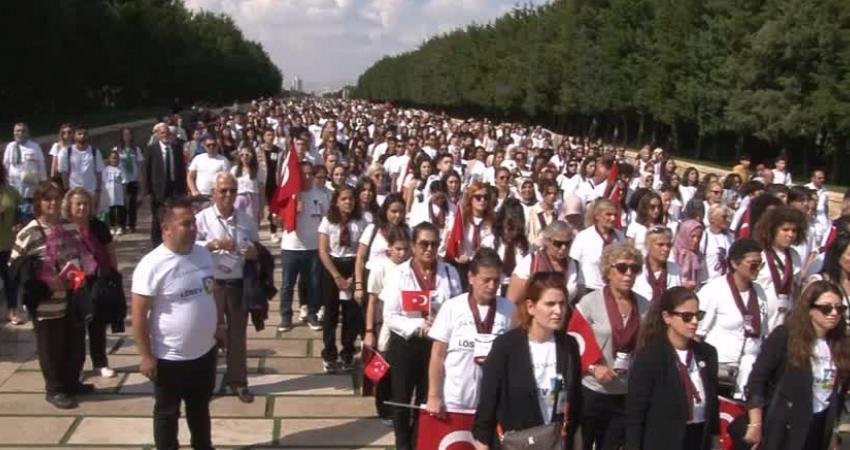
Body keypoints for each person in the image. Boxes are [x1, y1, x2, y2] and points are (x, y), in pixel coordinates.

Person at [131, 196, 225, 450]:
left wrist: (219, 325)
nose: (193, 228)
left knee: (200, 407)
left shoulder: (203, 253)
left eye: (194, 222)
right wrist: (145, 355)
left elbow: (213, 290)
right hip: (169, 358)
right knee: (167, 413)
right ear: (166, 229)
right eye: (186, 223)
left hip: (204, 352)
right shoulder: (151, 265)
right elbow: (138, 315)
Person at [9, 182, 94, 409]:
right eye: (48, 199)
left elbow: (83, 255)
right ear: (39, 203)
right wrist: (42, 279)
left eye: (57, 199)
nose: (53, 203)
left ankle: (72, 382)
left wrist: (81, 272)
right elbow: (15, 267)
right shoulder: (30, 232)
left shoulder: (70, 227)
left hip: (73, 297)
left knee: (74, 344)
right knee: (51, 346)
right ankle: (55, 389)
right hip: (47, 302)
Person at [473, 272, 581, 450]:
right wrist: (482, 442)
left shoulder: (569, 345)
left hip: (555, 442)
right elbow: (489, 400)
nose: (558, 311)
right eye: (550, 304)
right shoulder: (506, 346)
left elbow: (574, 401)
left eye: (562, 304)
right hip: (516, 442)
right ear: (531, 307)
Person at [380, 222, 463, 450]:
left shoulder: (449, 272)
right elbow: (390, 316)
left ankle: (419, 440)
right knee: (401, 399)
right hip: (406, 344)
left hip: (436, 346)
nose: (429, 249)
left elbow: (458, 308)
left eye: (434, 244)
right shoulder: (399, 274)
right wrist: (418, 324)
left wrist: (442, 325)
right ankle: (402, 444)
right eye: (424, 244)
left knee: (427, 398)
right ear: (413, 246)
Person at [742, 280, 850, 450]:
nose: (834, 313)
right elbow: (757, 380)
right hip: (786, 425)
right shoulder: (785, 336)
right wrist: (755, 424)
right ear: (809, 310)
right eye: (826, 308)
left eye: (839, 308)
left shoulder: (840, 344)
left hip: (820, 423)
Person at [575, 242, 651, 450]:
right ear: (608, 270)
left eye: (634, 269)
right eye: (622, 267)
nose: (629, 274)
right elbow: (573, 340)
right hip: (592, 389)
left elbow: (648, 346)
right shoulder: (589, 302)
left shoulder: (645, 306)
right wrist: (592, 366)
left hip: (624, 393)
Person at [625, 287, 720, 450]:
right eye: (687, 317)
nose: (694, 322)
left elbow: (712, 402)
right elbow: (635, 413)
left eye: (698, 315)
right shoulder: (650, 357)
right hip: (663, 440)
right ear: (667, 317)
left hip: (698, 437)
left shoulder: (707, 353)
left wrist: (715, 438)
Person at [195, 173, 260, 403]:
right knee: (209, 333)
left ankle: (238, 381)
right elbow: (191, 248)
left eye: (232, 190)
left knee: (237, 334)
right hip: (210, 284)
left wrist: (252, 252)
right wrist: (214, 244)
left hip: (237, 282)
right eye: (223, 190)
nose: (228, 195)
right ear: (214, 192)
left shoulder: (245, 219)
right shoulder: (202, 218)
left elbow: (255, 245)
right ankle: (205, 382)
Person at [426, 248, 515, 415]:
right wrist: (434, 395)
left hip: (493, 404)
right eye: (486, 280)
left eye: (496, 281)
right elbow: (438, 355)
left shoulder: (509, 309)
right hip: (455, 401)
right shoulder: (452, 307)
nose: (492, 286)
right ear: (471, 277)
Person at [696, 238, 768, 399]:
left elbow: (763, 333)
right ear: (735, 264)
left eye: (760, 264)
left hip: (750, 369)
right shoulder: (714, 290)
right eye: (753, 264)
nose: (758, 269)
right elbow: (696, 333)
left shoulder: (760, 292)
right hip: (720, 370)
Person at [64, 187, 121, 379]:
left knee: (97, 324)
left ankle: (100, 363)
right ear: (69, 207)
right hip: (72, 283)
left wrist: (113, 274)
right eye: (78, 204)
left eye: (86, 204)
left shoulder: (98, 226)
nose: (82, 207)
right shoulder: (64, 228)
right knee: (75, 328)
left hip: (97, 280)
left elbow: (110, 251)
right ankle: (75, 367)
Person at [318, 185, 367, 373]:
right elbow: (323, 250)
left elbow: (363, 252)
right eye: (344, 199)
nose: (348, 202)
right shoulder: (328, 221)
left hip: (353, 265)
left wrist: (355, 277)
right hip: (333, 267)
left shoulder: (360, 222)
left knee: (351, 314)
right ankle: (329, 354)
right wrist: (337, 276)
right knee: (330, 314)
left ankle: (347, 353)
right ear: (336, 201)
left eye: (351, 199)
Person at [364, 225, 410, 424]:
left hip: (404, 322)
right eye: (398, 248)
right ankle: (382, 408)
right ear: (389, 248)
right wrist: (369, 330)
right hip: (383, 324)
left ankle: (398, 405)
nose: (402, 253)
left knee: (401, 368)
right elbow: (372, 302)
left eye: (405, 249)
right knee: (381, 367)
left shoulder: (410, 268)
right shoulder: (380, 268)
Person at [278, 162, 327, 331]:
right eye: (303, 174)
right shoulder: (291, 194)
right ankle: (286, 316)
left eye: (309, 174)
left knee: (313, 284)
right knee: (287, 284)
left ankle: (312, 314)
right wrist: (291, 211)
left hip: (313, 248)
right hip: (291, 248)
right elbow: (277, 220)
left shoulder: (320, 195)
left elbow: (326, 219)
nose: (306, 177)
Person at [752, 205, 808, 333]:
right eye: (785, 230)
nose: (790, 235)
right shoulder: (759, 252)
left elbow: (796, 287)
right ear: (772, 230)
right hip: (761, 315)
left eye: (794, 231)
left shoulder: (794, 256)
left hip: (784, 316)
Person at [507, 220, 579, 304]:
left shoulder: (572, 264)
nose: (563, 248)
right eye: (558, 243)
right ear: (547, 241)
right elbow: (512, 300)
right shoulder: (530, 262)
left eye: (567, 243)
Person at [145, 122, 188, 245]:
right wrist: (148, 190)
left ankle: (173, 241)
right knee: (158, 218)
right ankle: (157, 244)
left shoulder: (176, 148)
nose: (165, 135)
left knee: (175, 215)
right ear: (158, 134)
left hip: (175, 188)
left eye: (167, 133)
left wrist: (183, 189)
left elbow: (181, 169)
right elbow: (146, 170)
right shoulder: (151, 150)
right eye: (163, 133)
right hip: (158, 189)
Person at [570, 198, 624, 291]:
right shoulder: (584, 237)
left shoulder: (620, 236)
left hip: (613, 289)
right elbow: (573, 264)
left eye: (615, 215)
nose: (613, 218)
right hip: (589, 288)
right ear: (597, 216)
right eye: (608, 214)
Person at [3, 122, 46, 222]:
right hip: (13, 188)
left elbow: (41, 164)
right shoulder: (10, 147)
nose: (20, 133)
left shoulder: (34, 146)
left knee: (28, 216)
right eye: (18, 131)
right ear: (14, 133)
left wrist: (43, 181)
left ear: (27, 133)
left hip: (29, 189)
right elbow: (5, 165)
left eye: (23, 131)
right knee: (14, 217)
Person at [632, 226, 682, 304]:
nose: (666, 249)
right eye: (660, 245)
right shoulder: (635, 269)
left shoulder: (676, 270)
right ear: (647, 245)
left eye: (668, 245)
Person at [0, 163, 22, 324]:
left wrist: (20, 222)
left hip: (9, 244)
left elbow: (25, 211)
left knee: (11, 280)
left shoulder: (11, 192)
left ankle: (12, 311)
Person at [113, 126, 145, 234]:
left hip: (133, 179)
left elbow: (140, 165)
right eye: (125, 134)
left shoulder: (136, 149)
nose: (127, 137)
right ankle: (122, 225)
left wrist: (141, 181)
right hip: (121, 180)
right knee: (122, 204)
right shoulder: (117, 149)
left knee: (132, 203)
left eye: (129, 134)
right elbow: (113, 164)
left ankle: (132, 225)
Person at [57, 126, 104, 196]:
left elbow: (99, 173)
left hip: (91, 192)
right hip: (74, 192)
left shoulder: (95, 152)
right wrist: (67, 191)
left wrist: (98, 191)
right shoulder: (66, 152)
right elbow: (64, 173)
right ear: (74, 136)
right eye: (79, 134)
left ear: (88, 136)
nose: (82, 136)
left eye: (85, 134)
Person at [230, 147, 266, 222]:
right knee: (238, 223)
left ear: (252, 156)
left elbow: (262, 190)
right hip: (238, 199)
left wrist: (262, 209)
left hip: (252, 199)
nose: (244, 157)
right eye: (242, 155)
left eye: (247, 155)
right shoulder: (234, 170)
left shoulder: (258, 170)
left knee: (252, 223)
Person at [674, 219, 705, 289]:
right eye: (692, 236)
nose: (696, 240)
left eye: (699, 237)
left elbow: (702, 279)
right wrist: (682, 284)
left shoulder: (699, 255)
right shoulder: (674, 253)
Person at [101, 151, 125, 236]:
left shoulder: (121, 169)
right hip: (109, 194)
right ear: (109, 159)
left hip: (119, 194)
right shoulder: (106, 170)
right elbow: (103, 181)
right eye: (113, 158)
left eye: (116, 158)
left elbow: (123, 181)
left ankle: (119, 226)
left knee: (119, 211)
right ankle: (111, 227)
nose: (114, 160)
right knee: (111, 211)